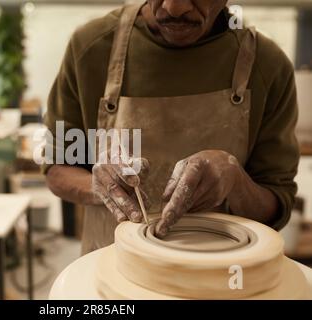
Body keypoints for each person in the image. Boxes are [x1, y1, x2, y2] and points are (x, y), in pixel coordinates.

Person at [43, 0, 299, 254]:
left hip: (219, 275)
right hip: (114, 273)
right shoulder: (91, 49)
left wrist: (236, 181)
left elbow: (277, 205)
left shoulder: (268, 66)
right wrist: (99, 187)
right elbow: (57, 168)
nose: (174, 8)